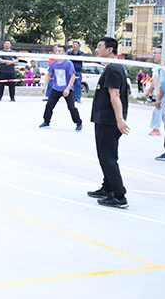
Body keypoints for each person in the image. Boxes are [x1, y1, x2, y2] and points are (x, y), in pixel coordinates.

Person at [86, 37, 130, 209]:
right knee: (105, 156)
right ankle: (107, 188)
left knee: (108, 158)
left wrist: (119, 119)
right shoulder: (111, 67)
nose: (96, 50)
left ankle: (119, 196)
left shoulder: (113, 69)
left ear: (109, 50)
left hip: (108, 121)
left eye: (99, 47)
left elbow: (115, 95)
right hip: (104, 119)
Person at [39, 45, 83, 131]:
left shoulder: (68, 63)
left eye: (59, 51)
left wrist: (67, 89)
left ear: (64, 53)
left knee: (71, 107)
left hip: (67, 89)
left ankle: (78, 123)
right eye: (56, 51)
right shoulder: (53, 63)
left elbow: (73, 76)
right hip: (56, 88)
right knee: (49, 105)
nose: (57, 53)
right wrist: (44, 85)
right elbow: (48, 74)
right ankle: (46, 122)